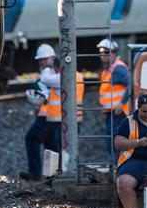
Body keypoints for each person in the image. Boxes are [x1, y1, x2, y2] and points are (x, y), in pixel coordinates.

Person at [20, 44, 84, 180]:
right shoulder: (69, 76)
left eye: (45, 60)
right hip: (55, 117)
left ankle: (55, 176)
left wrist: (47, 69)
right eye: (40, 60)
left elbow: (45, 80)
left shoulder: (63, 77)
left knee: (56, 147)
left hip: (60, 117)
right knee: (52, 146)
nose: (43, 63)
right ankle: (51, 177)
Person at [97, 38, 130, 160]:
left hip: (119, 113)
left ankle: (119, 169)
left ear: (113, 53)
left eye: (105, 52)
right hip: (112, 112)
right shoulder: (109, 70)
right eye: (101, 52)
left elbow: (131, 85)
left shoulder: (119, 69)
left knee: (115, 143)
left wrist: (121, 104)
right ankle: (117, 168)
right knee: (112, 143)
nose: (102, 55)